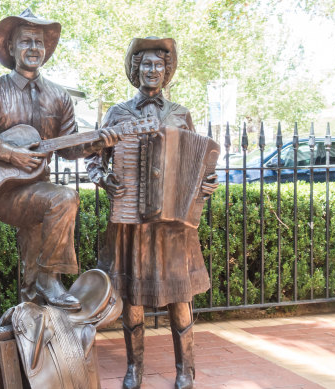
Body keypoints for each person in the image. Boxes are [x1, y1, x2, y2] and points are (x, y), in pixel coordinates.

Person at [0, 9, 118, 311]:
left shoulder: (58, 96)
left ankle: (33, 336)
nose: (33, 49)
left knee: (33, 261)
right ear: (11, 48)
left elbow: (69, 149)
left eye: (39, 43)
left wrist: (96, 145)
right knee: (64, 198)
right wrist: (10, 152)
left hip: (38, 189)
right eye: (25, 42)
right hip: (2, 192)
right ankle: (49, 278)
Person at [85, 37, 218, 389]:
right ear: (135, 70)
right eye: (145, 64)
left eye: (159, 65)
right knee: (133, 296)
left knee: (180, 295)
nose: (152, 71)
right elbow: (93, 161)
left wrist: (206, 183)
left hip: (175, 224)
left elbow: (199, 162)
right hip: (133, 222)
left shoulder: (180, 114)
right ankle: (134, 368)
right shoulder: (117, 113)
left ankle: (184, 369)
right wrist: (104, 178)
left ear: (167, 71)